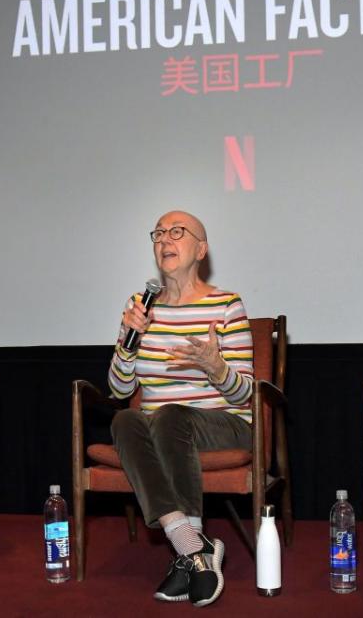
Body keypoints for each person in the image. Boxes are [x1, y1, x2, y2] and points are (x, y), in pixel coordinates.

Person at [108, 211, 254, 608]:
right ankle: (192, 547)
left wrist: (216, 366)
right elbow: (119, 388)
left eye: (177, 232)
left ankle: (187, 554)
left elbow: (245, 396)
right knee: (125, 418)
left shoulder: (227, 304)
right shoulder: (140, 307)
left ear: (201, 249)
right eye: (158, 233)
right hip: (161, 427)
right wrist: (129, 341)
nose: (164, 240)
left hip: (225, 425)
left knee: (170, 415)